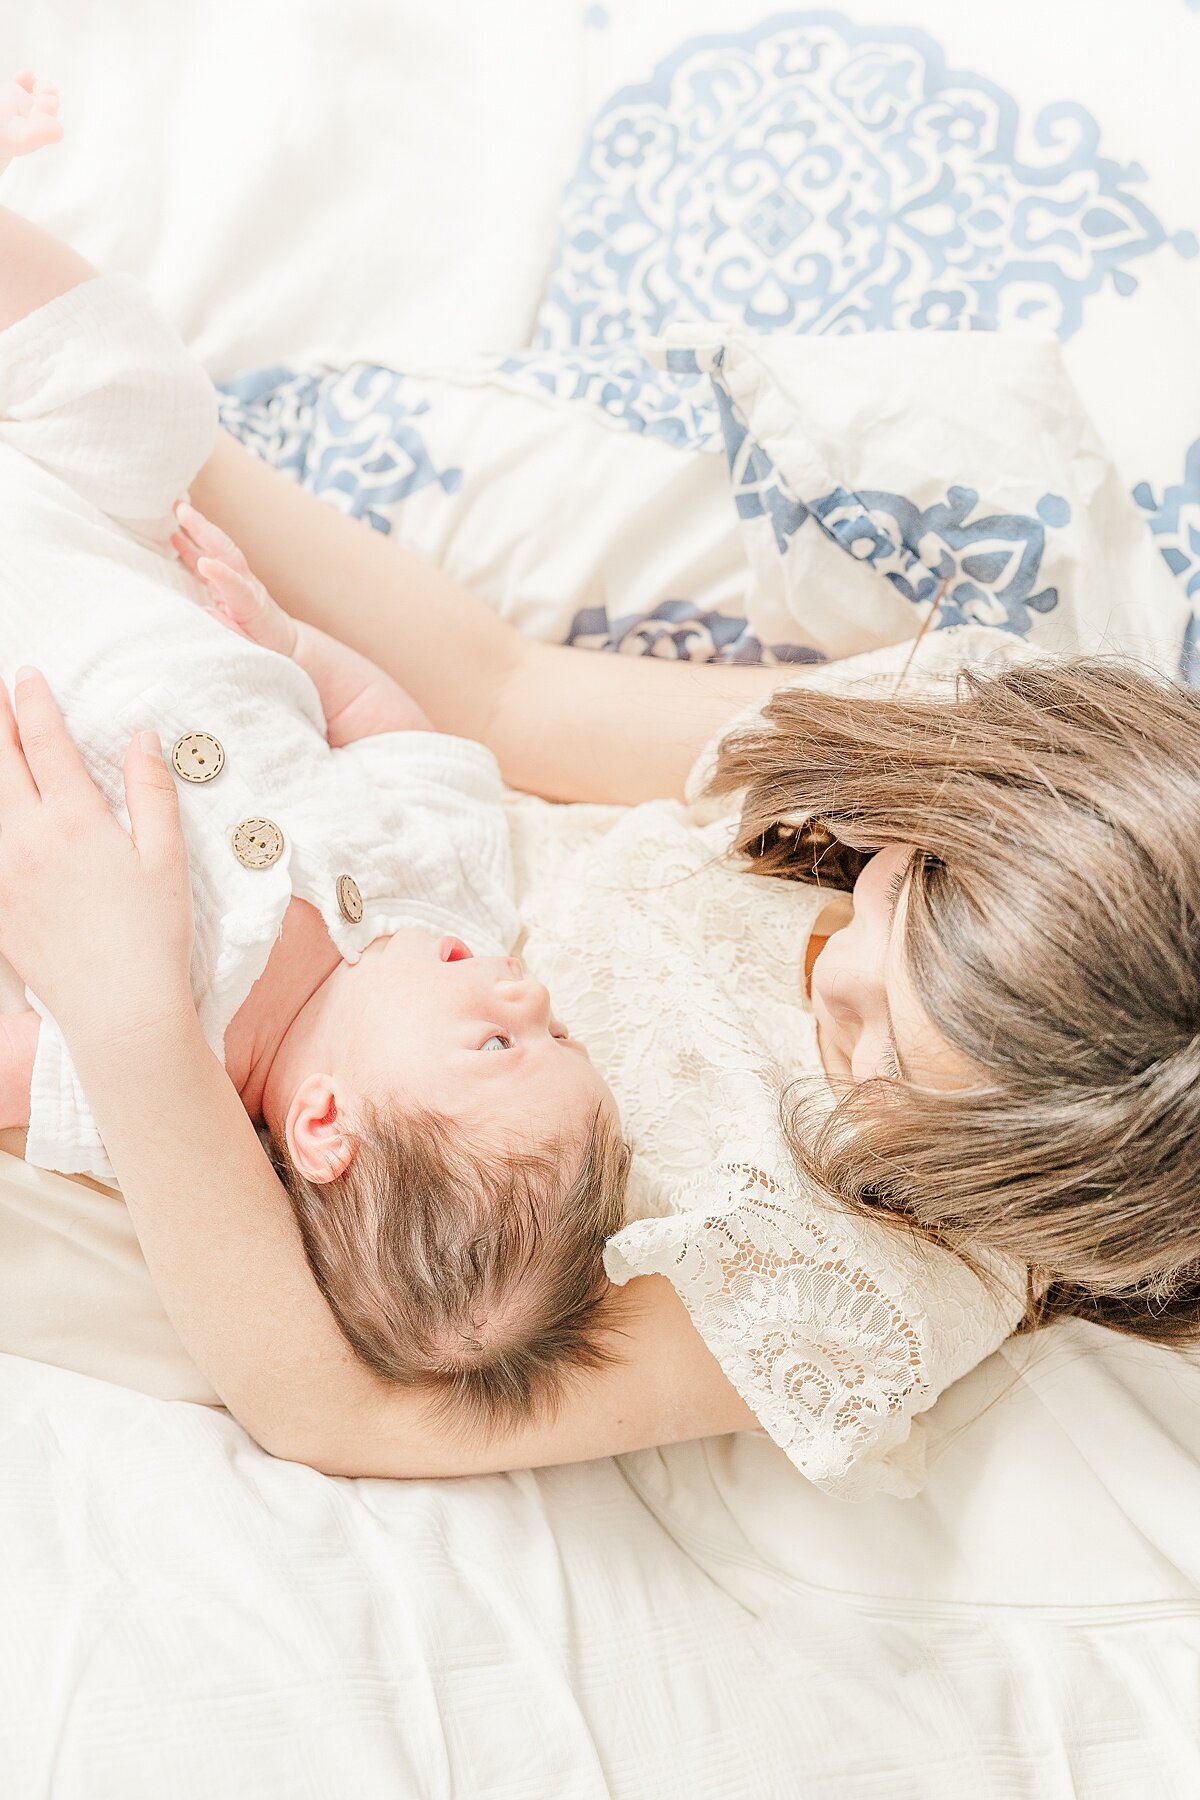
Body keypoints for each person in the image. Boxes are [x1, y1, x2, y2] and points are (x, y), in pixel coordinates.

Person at [6, 71, 1198, 1490]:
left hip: (148, 983)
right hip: (298, 756)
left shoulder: (884, 1279)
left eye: (879, 1061)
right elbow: (508, 692)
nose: (834, 992)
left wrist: (130, 1017)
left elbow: (359, 1417)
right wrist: (153, 489)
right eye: (894, 927)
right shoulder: (937, 757)